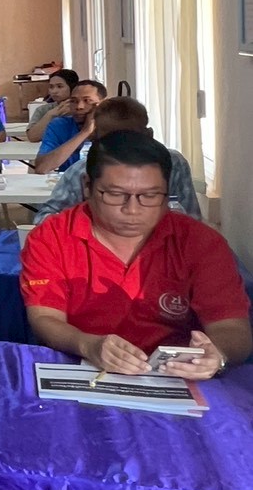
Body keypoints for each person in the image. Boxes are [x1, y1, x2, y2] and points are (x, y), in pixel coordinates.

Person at [21, 132, 250, 378]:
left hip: (177, 377)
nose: (132, 209)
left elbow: (232, 327)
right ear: (87, 186)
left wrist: (217, 355)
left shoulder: (200, 242)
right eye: (115, 195)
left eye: (150, 196)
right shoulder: (51, 237)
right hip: (84, 369)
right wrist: (87, 345)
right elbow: (45, 317)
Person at [34, 98, 200, 221]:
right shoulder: (83, 170)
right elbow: (45, 218)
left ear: (148, 135)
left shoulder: (174, 163)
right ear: (96, 139)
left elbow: (192, 218)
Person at [34, 80, 107, 174]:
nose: (79, 106)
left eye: (87, 101)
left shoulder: (114, 127)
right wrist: (84, 132)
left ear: (102, 104)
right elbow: (41, 168)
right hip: (68, 181)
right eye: (74, 101)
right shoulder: (59, 125)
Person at [26, 68, 82, 143]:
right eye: (51, 87)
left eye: (60, 86)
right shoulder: (43, 110)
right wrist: (50, 114)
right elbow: (32, 137)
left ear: (73, 87)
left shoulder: (81, 108)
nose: (54, 91)